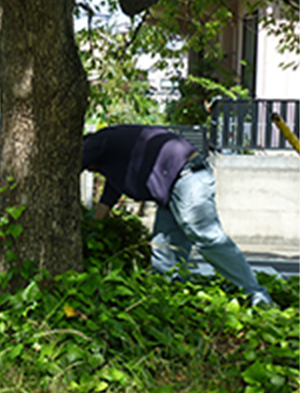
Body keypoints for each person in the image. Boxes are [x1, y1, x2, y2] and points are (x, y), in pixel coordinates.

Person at [82, 124, 274, 307]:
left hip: (186, 177)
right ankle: (170, 302)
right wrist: (93, 228)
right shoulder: (112, 156)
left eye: (91, 168)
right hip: (173, 185)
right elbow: (108, 199)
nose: (92, 171)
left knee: (207, 237)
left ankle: (256, 295)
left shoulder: (95, 143)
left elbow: (73, 162)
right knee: (164, 251)